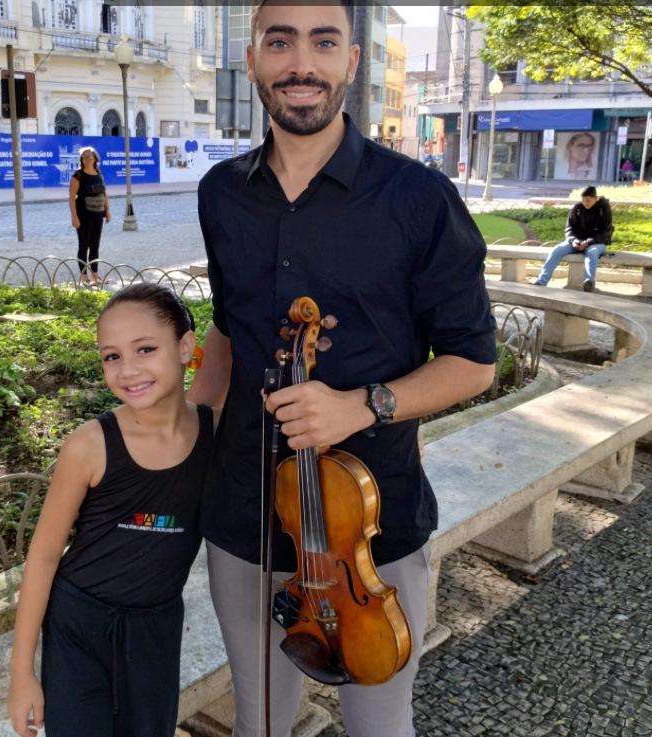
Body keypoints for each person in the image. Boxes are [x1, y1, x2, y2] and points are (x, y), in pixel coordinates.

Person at [188, 2, 497, 736]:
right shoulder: (220, 193)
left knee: (379, 726)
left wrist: (364, 404)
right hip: (242, 514)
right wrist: (183, 441)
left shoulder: (418, 199)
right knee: (258, 721)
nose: (302, 64)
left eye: (323, 43)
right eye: (280, 42)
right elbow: (227, 331)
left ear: (350, 63)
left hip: (367, 527)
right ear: (255, 59)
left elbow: (473, 362)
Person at [7, 283, 214, 737]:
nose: (128, 370)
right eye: (111, 356)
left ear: (185, 347)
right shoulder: (90, 446)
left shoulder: (213, 429)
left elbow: (235, 329)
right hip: (79, 624)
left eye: (145, 349)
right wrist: (22, 674)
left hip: (156, 626)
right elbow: (42, 559)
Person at [533, 185, 614, 292]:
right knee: (557, 250)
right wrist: (573, 241)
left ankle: (588, 282)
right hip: (577, 241)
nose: (585, 203)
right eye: (583, 200)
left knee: (592, 252)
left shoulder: (604, 209)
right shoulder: (577, 208)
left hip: (597, 242)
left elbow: (606, 231)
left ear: (595, 198)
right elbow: (569, 228)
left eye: (588, 200)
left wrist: (590, 241)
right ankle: (541, 281)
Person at [70, 146, 111, 286]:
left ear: (95, 159)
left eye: (90, 157)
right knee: (83, 245)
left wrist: (107, 210)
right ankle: (84, 277)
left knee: (95, 245)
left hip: (98, 214)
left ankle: (95, 276)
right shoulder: (78, 175)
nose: (87, 159)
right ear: (81, 159)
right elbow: (71, 198)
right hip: (83, 214)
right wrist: (74, 217)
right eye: (84, 157)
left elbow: (104, 193)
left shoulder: (98, 173)